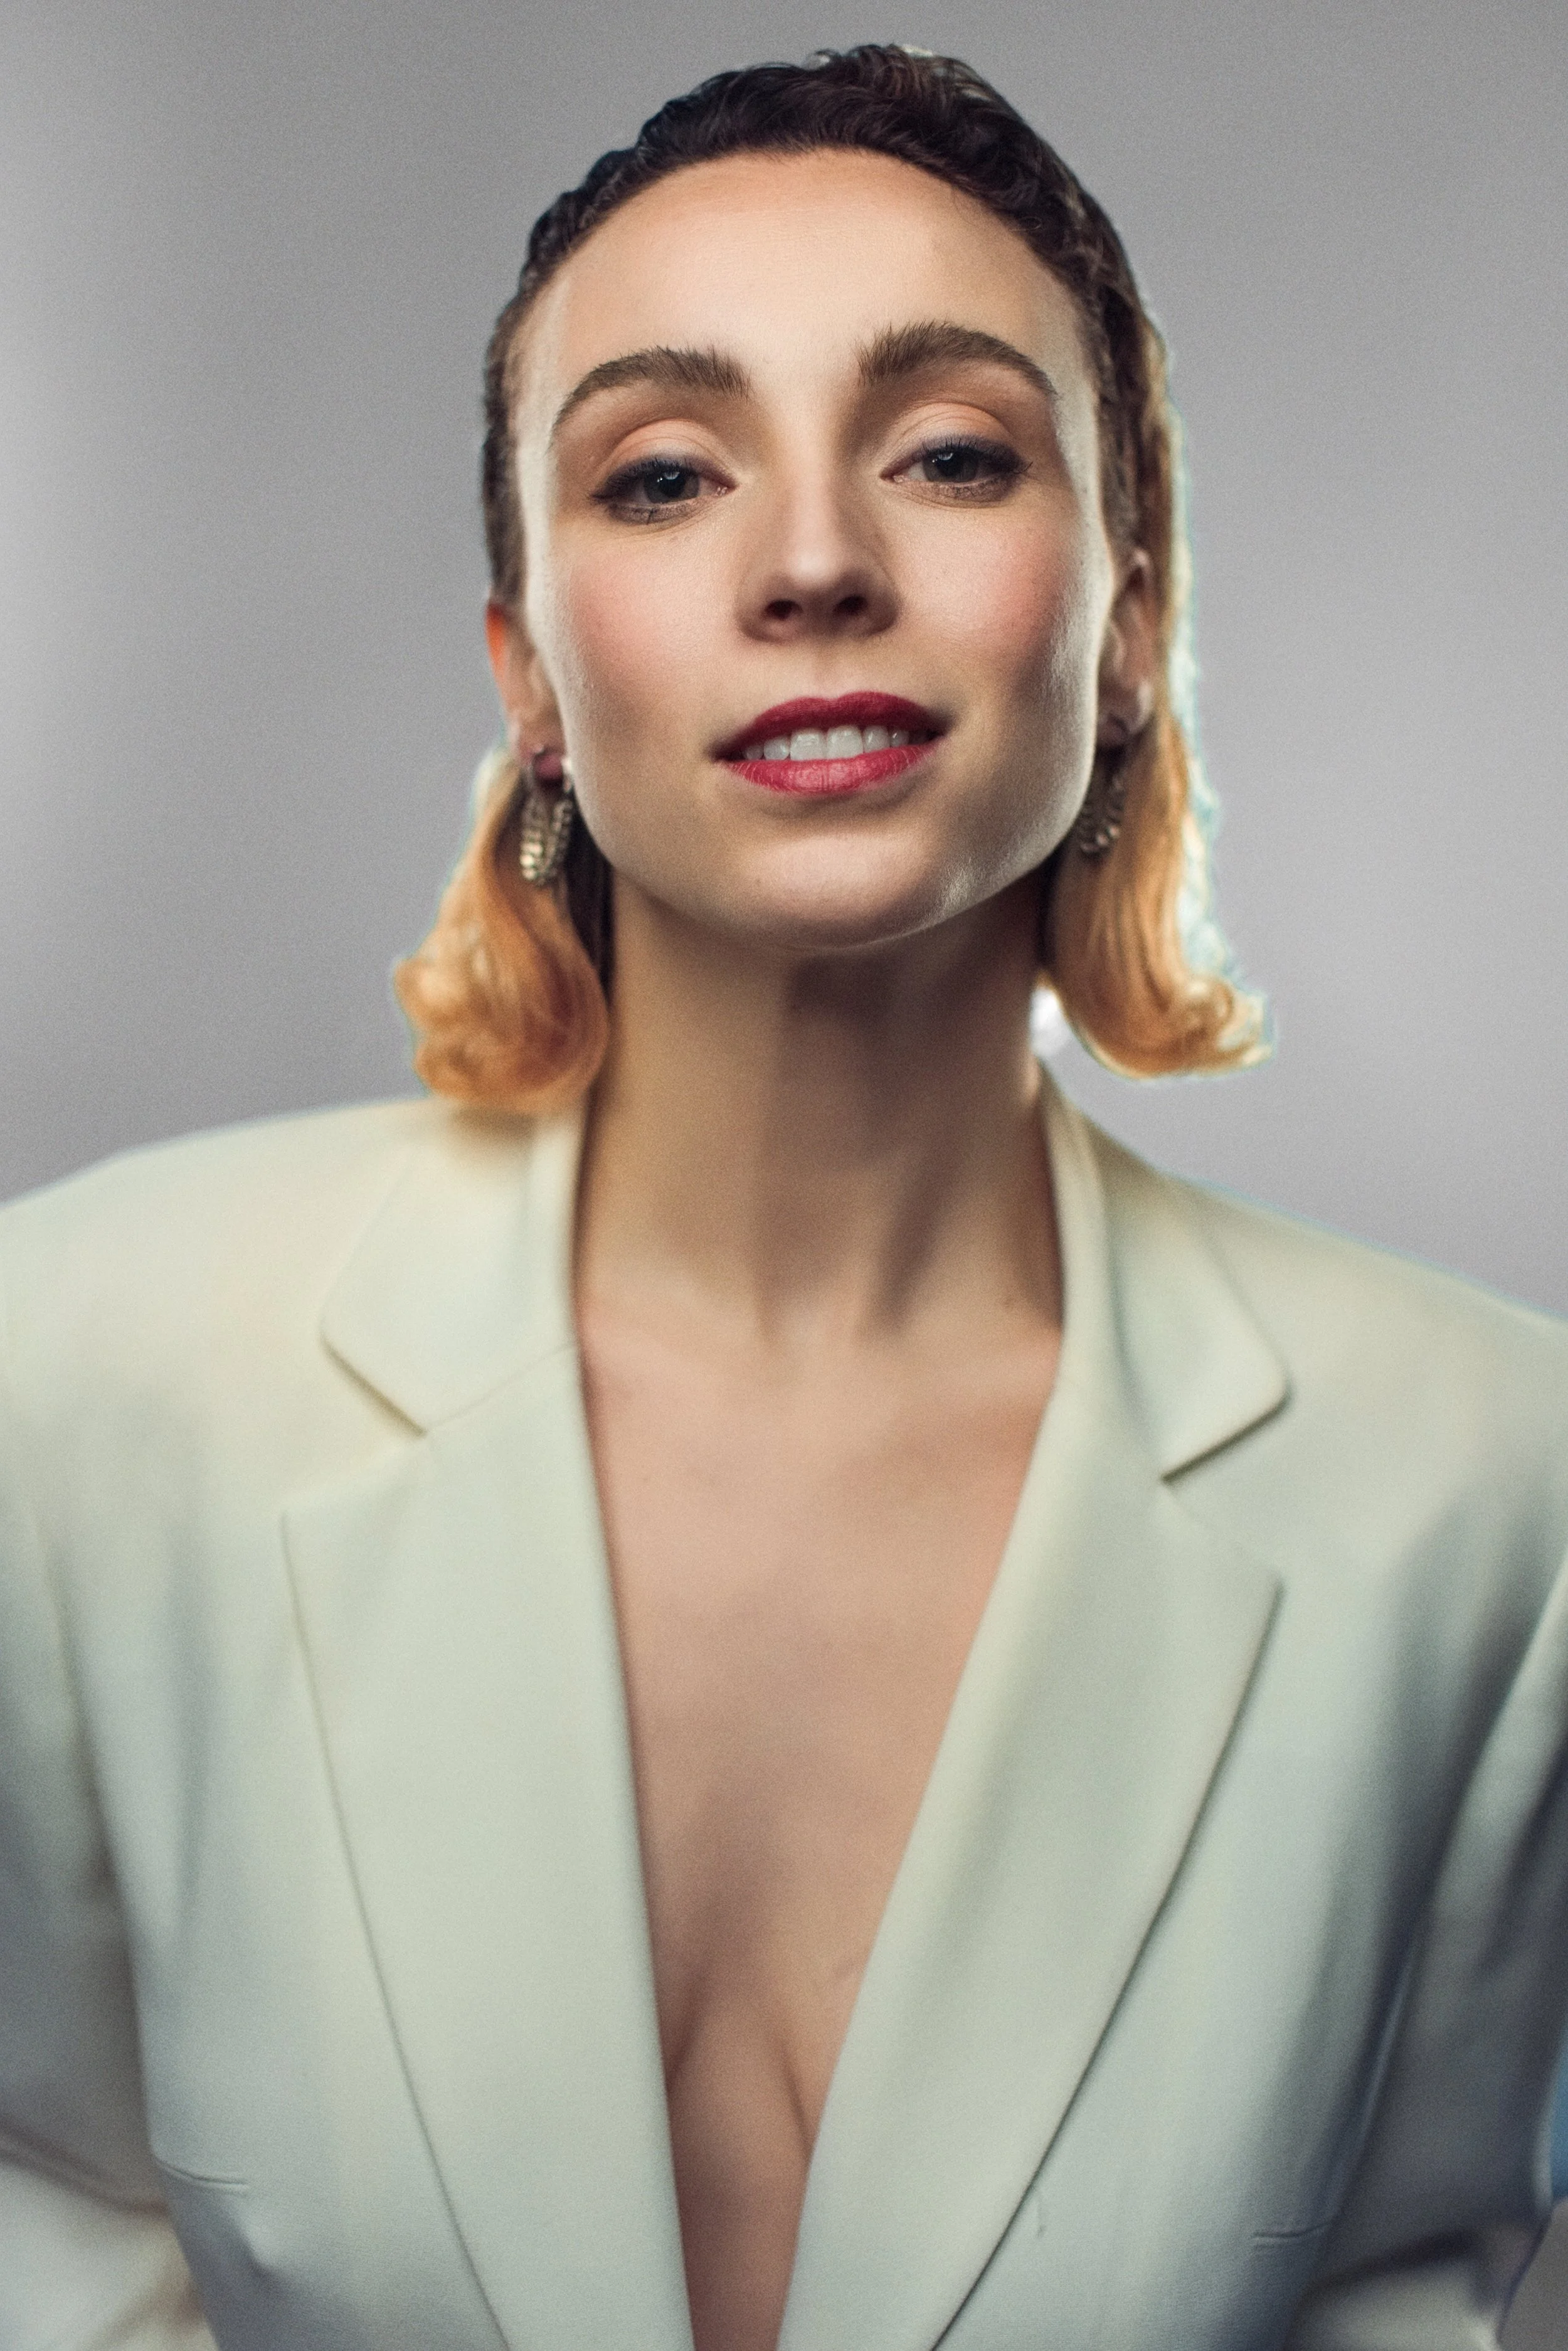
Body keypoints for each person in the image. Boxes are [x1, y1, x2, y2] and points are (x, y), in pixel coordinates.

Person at [1, 44, 1564, 2351]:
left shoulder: (1488, 1492)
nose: (817, 558)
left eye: (947, 451)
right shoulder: (75, 1373)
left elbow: (1408, 2300)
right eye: (659, 472)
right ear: (532, 680)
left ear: (1128, 622)